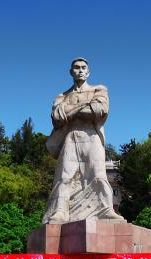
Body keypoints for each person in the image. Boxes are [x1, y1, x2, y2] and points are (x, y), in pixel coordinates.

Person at [42, 57, 122, 223]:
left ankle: (105, 209)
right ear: (71, 72)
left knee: (98, 174)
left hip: (91, 136)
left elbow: (99, 110)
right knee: (65, 176)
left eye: (83, 67)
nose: (80, 70)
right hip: (70, 137)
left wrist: (71, 111)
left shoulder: (99, 90)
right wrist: (84, 106)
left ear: (88, 72)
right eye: (77, 67)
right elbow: (57, 117)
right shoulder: (61, 96)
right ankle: (60, 211)